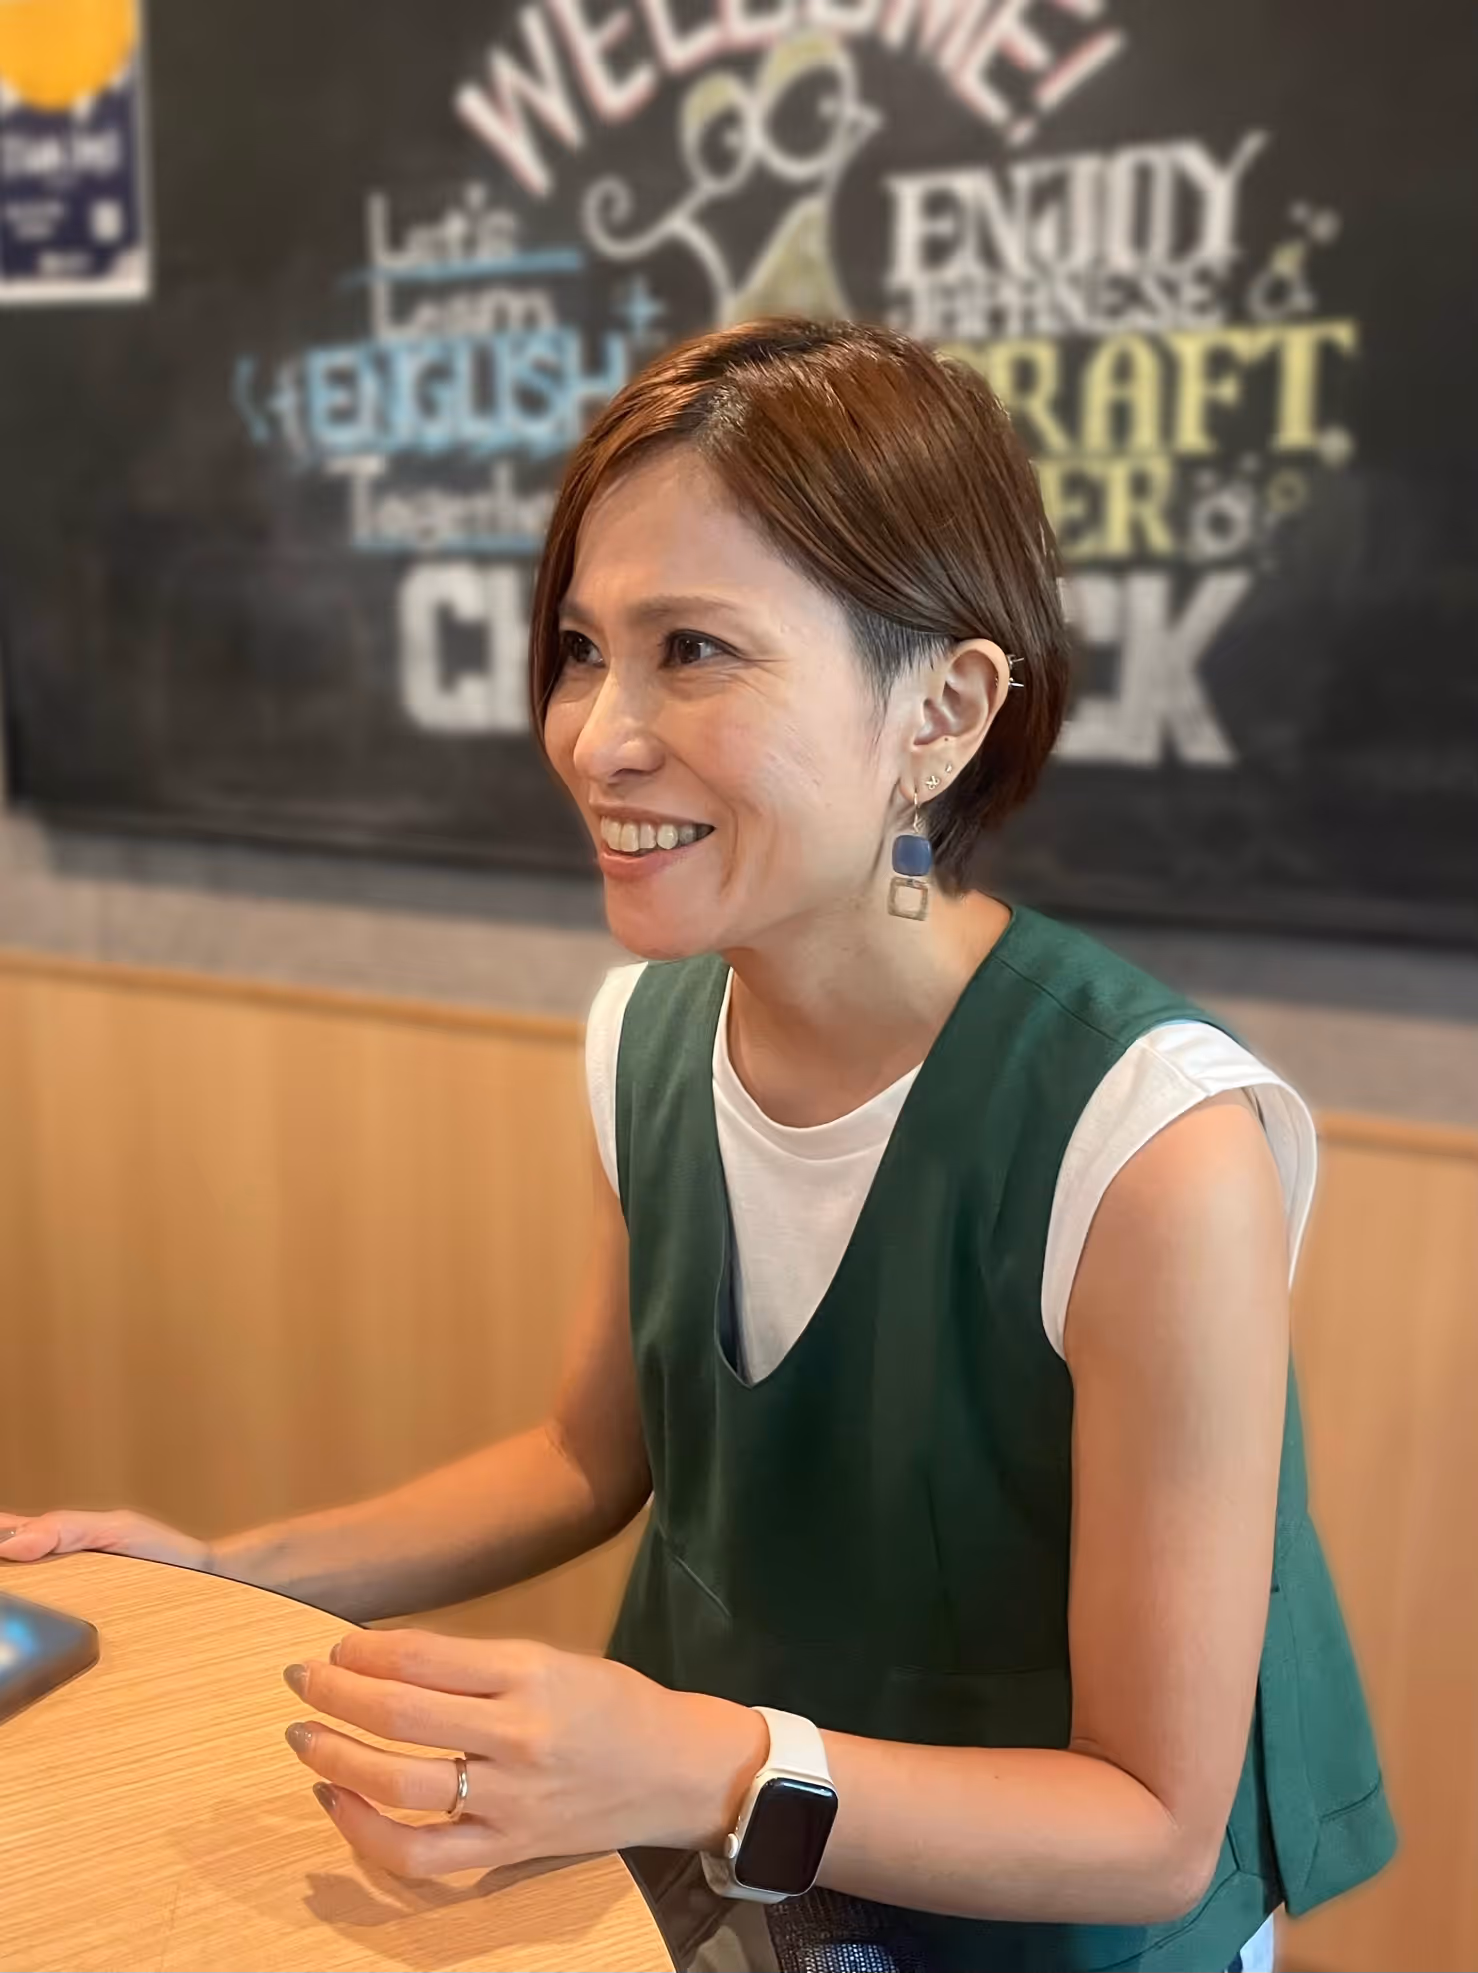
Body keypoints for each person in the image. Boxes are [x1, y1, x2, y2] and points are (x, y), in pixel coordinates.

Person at [0, 319, 1394, 1973]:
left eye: (696, 651)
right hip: (754, 1889)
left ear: (941, 711)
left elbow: (1151, 1828)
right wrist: (226, 1575)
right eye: (582, 649)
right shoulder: (645, 1036)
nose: (598, 735)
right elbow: (586, 1459)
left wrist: (699, 1761)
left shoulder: (1154, 1144)